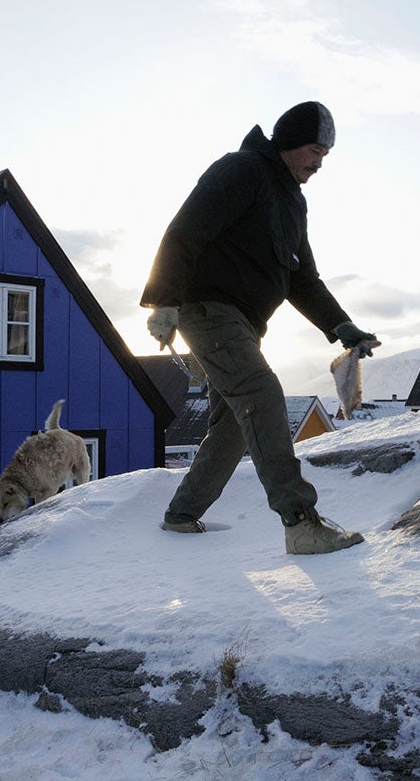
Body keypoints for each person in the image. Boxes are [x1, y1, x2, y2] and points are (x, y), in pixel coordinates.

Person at [140, 101, 379, 555]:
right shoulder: (242, 170)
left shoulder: (292, 202)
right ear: (290, 142)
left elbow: (302, 278)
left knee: (235, 422)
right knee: (261, 393)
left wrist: (342, 325)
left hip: (244, 325)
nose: (319, 164)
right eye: (315, 151)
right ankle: (300, 522)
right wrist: (164, 300)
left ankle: (182, 514)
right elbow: (185, 230)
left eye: (325, 155)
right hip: (208, 309)